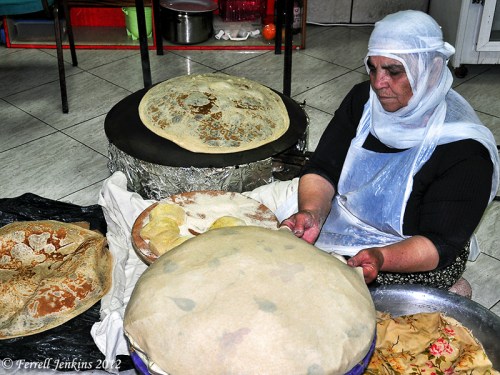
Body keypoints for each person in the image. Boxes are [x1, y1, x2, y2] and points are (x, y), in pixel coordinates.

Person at [272, 10, 499, 291]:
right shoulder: (363, 102)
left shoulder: (465, 151)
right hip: (349, 218)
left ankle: (451, 291)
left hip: (415, 253)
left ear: (433, 69)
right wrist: (312, 213)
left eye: (394, 71)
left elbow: (439, 244)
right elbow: (323, 168)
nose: (379, 83)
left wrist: (380, 257)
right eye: (373, 68)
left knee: (324, 288)